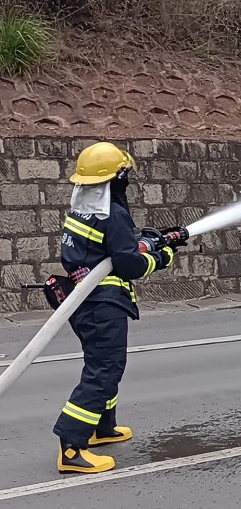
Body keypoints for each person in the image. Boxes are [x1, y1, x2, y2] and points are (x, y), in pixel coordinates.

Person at [54, 141, 179, 474]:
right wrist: (162, 256)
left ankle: (101, 428)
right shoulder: (114, 214)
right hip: (103, 305)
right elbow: (129, 265)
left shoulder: (82, 210)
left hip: (85, 302)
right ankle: (71, 446)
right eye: (124, 175)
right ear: (115, 178)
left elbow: (109, 246)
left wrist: (146, 240)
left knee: (104, 365)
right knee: (104, 370)